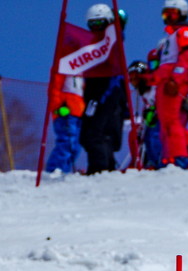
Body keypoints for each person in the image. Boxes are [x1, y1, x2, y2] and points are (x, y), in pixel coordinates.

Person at [79, 4, 128, 173]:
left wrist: (106, 96)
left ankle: (99, 169)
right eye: (92, 25)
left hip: (107, 92)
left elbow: (114, 70)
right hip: (95, 92)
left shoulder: (111, 41)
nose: (96, 28)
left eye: (99, 24)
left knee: (93, 133)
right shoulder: (94, 44)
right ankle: (105, 167)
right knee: (93, 133)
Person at [153, 0, 188, 168]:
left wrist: (176, 79)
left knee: (172, 121)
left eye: (172, 13)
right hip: (165, 80)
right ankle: (173, 156)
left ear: (182, 14)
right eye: (165, 14)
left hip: (173, 80)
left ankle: (179, 157)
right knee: (166, 122)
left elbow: (186, 57)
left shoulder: (186, 31)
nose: (168, 17)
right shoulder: (170, 36)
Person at [45, 62, 85, 173]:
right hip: (66, 109)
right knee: (67, 143)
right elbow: (54, 87)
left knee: (76, 146)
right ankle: (54, 171)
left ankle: (64, 172)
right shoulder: (63, 64)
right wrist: (57, 107)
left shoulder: (84, 67)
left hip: (79, 110)